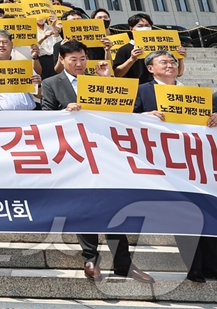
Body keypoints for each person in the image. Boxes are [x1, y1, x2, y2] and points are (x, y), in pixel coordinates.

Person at [45, 41, 154, 283]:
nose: (79, 63)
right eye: (73, 59)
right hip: (74, 156)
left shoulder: (97, 80)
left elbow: (121, 110)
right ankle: (90, 259)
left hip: (105, 154)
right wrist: (64, 112)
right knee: (83, 208)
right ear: (62, 60)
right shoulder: (51, 83)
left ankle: (123, 262)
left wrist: (107, 80)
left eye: (83, 58)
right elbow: (45, 116)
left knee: (112, 206)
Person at [0, 30, 41, 111]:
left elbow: (39, 95)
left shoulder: (23, 66)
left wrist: (38, 84)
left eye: (5, 42)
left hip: (29, 113)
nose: (1, 45)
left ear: (12, 44)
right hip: (0, 114)